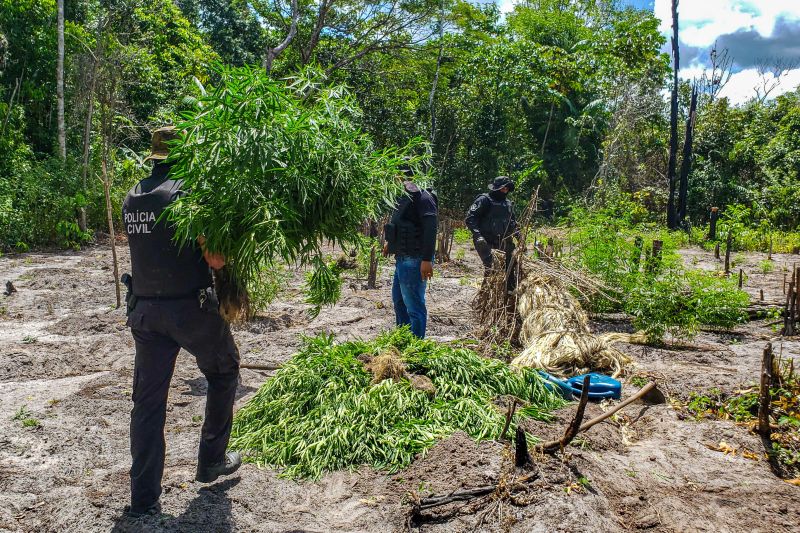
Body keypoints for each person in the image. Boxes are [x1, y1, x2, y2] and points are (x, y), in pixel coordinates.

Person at [121, 126, 241, 518]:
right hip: (190, 310)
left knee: (148, 405)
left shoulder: (132, 196)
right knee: (224, 372)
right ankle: (211, 461)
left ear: (153, 157)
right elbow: (216, 260)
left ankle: (143, 501)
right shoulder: (189, 196)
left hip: (144, 312)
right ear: (185, 156)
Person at [383, 174, 438, 338]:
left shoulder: (424, 198)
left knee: (414, 306)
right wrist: (390, 243)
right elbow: (398, 223)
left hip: (415, 259)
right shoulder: (401, 196)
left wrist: (427, 259)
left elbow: (431, 228)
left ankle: (416, 347)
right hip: (401, 258)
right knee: (399, 302)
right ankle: (403, 340)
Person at [465, 176, 519, 290]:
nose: (505, 191)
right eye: (503, 188)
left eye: (507, 189)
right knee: (492, 267)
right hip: (485, 241)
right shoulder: (484, 200)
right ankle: (486, 297)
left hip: (503, 241)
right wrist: (477, 235)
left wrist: (519, 236)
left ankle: (506, 296)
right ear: (496, 188)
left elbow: (513, 223)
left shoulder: (508, 204)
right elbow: (470, 218)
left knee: (510, 268)